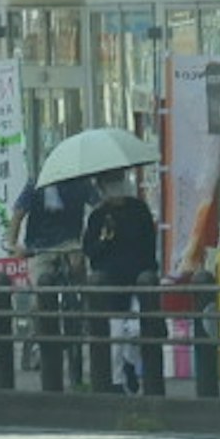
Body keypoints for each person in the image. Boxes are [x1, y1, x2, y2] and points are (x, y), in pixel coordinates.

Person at [81, 166, 160, 394]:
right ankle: (116, 380)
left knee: (138, 330)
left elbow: (149, 243)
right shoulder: (98, 216)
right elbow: (91, 251)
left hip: (139, 279)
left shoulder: (139, 210)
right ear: (102, 187)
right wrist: (105, 239)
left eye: (119, 180)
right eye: (110, 182)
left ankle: (130, 363)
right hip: (110, 282)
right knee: (113, 332)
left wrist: (151, 273)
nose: (116, 186)